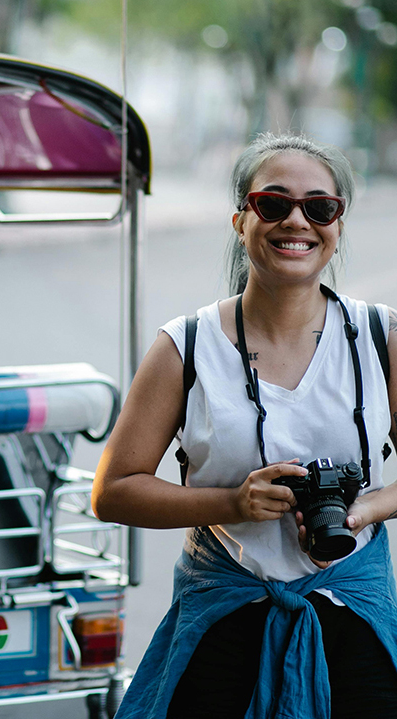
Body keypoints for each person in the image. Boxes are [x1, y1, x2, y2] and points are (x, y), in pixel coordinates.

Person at [92, 132, 397, 719]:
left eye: (319, 207)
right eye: (274, 204)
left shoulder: (381, 339)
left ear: (338, 224)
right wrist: (234, 501)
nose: (297, 222)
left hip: (354, 613)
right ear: (241, 220)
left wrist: (364, 511)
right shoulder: (184, 346)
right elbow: (113, 491)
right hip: (223, 617)